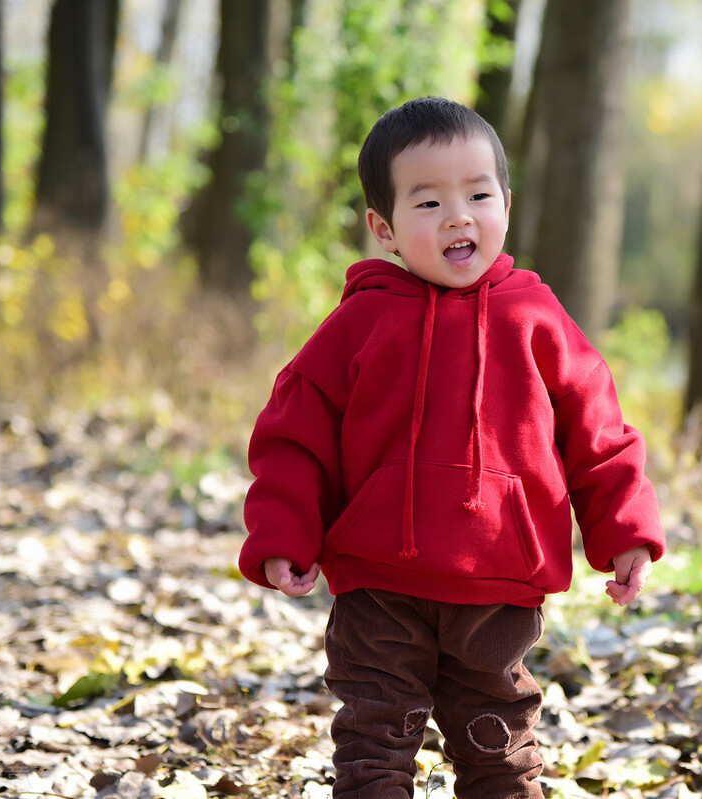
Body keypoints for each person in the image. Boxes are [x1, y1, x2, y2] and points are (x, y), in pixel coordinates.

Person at [239, 96, 665, 798]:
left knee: (497, 746)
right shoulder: (362, 320)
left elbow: (599, 430)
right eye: (429, 201)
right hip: (378, 580)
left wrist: (625, 530)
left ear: (505, 201)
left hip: (498, 581)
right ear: (384, 227)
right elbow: (295, 433)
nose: (459, 215)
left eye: (477, 193)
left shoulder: (535, 315)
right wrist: (285, 532)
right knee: (374, 740)